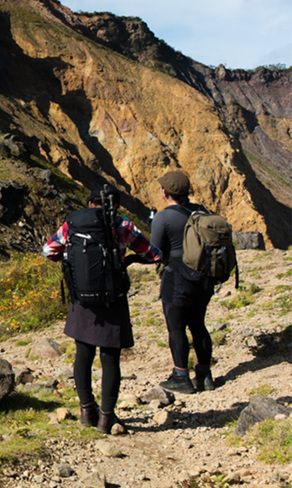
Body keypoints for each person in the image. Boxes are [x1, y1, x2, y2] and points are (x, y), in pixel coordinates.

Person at [43, 184, 161, 433]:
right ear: (115, 205)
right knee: (110, 359)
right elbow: (154, 254)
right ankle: (106, 417)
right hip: (113, 299)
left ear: (89, 204)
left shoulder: (71, 226)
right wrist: (127, 258)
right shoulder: (123, 225)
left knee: (83, 354)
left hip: (82, 299)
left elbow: (48, 251)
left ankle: (87, 410)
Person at [150, 170, 216, 393]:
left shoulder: (163, 217)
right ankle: (205, 375)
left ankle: (180, 375)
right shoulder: (201, 211)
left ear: (164, 192)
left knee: (176, 328)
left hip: (177, 278)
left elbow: (155, 252)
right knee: (198, 325)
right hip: (204, 278)